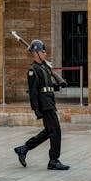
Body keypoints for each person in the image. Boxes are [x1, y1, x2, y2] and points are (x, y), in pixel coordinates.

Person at [13, 39, 69, 170]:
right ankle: (53, 161)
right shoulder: (33, 70)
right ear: (36, 53)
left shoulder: (44, 67)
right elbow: (33, 92)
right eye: (43, 52)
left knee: (49, 131)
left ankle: (24, 148)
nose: (45, 54)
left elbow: (47, 86)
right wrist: (36, 110)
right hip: (45, 105)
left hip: (49, 101)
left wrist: (58, 84)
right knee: (56, 131)